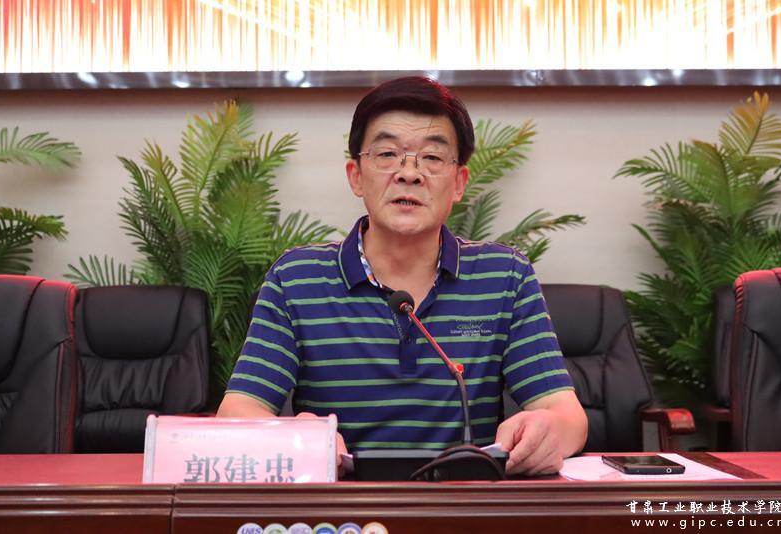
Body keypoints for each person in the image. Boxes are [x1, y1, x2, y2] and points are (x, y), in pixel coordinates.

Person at [217, 76, 587, 475]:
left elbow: (565, 414)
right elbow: (238, 411)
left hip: (469, 499)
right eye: (387, 154)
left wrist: (547, 431)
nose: (409, 174)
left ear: (459, 182)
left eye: (432, 157)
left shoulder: (505, 276)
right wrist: (291, 436)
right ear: (356, 176)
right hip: (342, 503)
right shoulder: (296, 279)